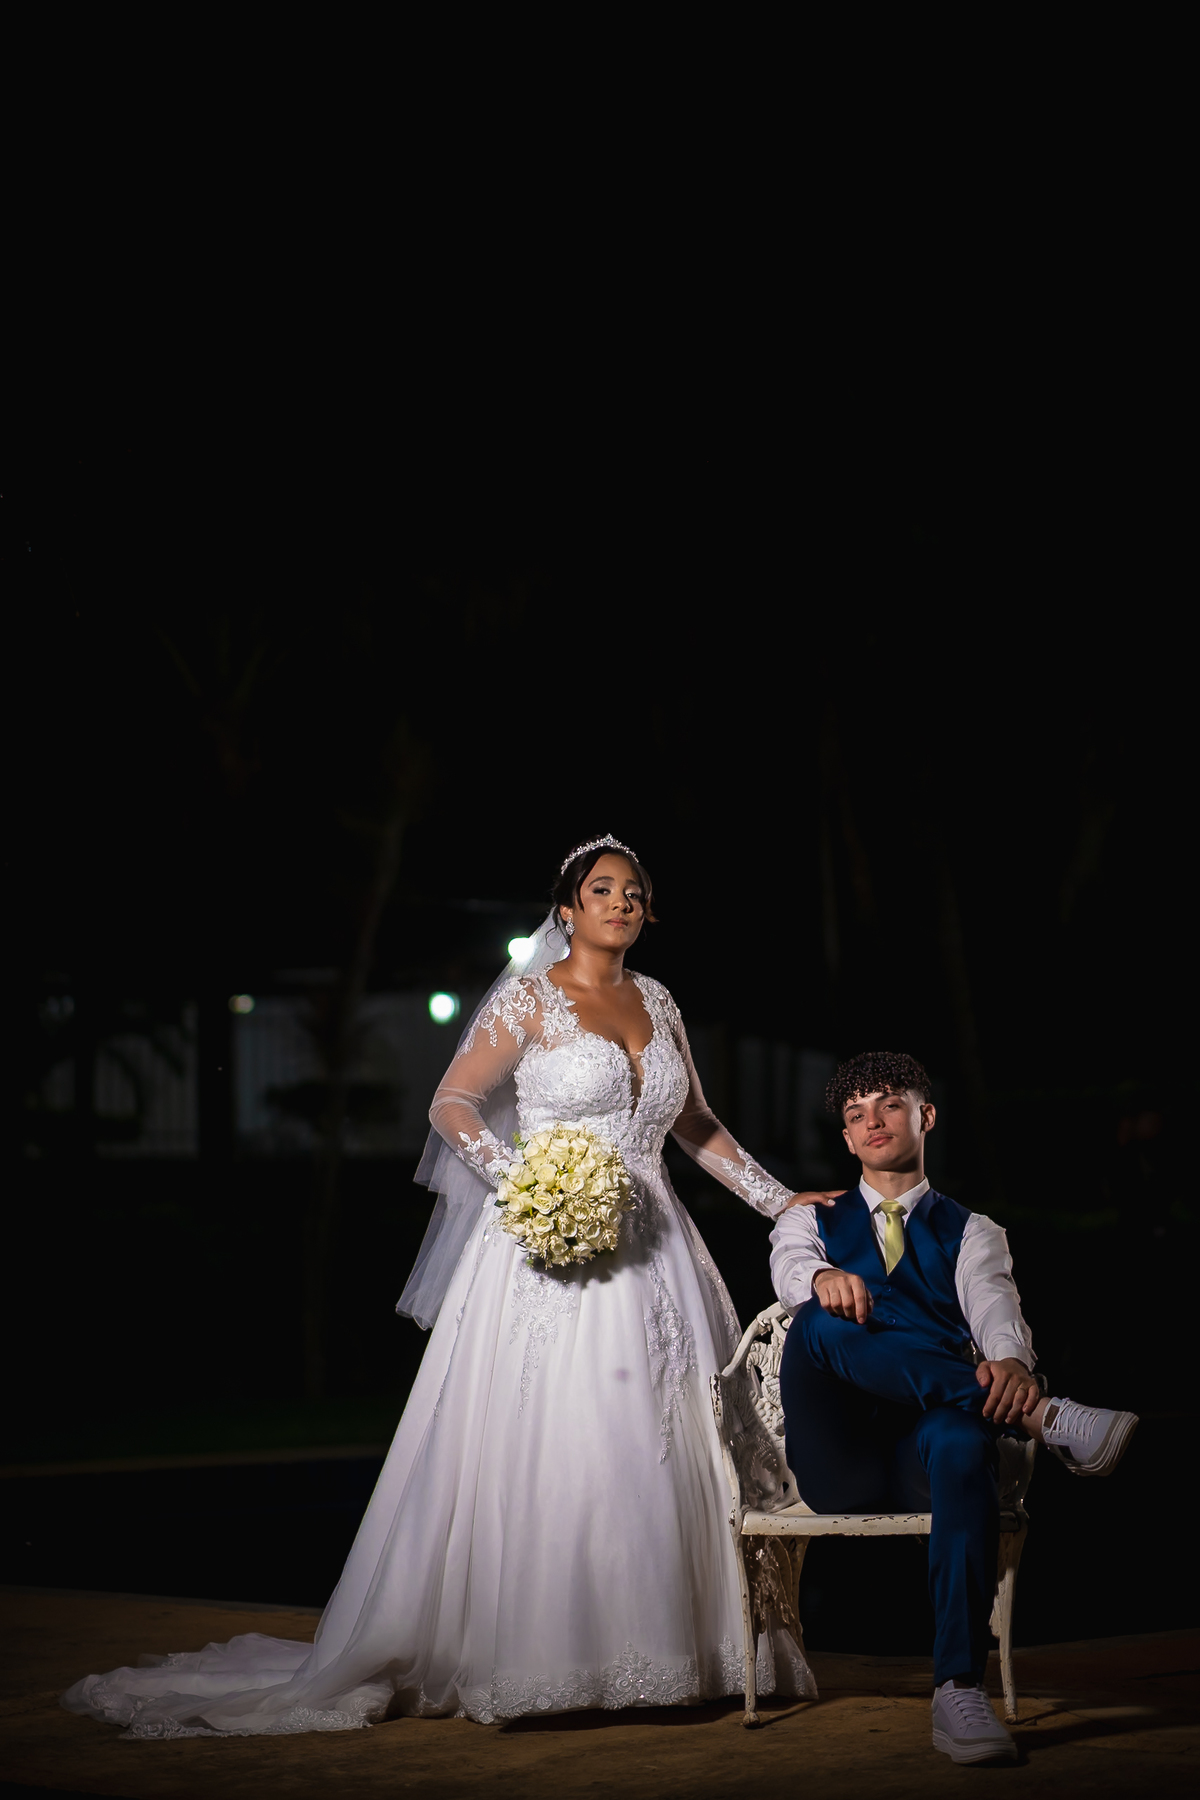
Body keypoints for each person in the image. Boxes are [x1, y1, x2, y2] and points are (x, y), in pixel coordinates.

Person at [64, 835, 830, 1738]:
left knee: (675, 1437)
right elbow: (451, 1103)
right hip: (554, 1253)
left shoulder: (658, 1000)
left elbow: (693, 1123)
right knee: (571, 1434)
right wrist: (528, 1184)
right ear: (568, 909)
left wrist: (780, 1200)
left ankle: (691, 1653)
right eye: (603, 889)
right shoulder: (528, 998)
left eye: (634, 892)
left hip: (661, 1250)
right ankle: (552, 1659)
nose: (622, 902)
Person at [770, 1050, 1138, 1767]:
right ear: (846, 1138)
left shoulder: (974, 1230)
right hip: (840, 1451)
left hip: (924, 1447)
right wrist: (820, 1275)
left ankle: (958, 1688)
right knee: (817, 1320)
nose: (873, 1121)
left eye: (889, 1104)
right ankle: (1046, 1418)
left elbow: (996, 1310)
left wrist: (1010, 1362)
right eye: (856, 1114)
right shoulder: (810, 1219)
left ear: (926, 1116)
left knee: (965, 1441)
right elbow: (790, 1271)